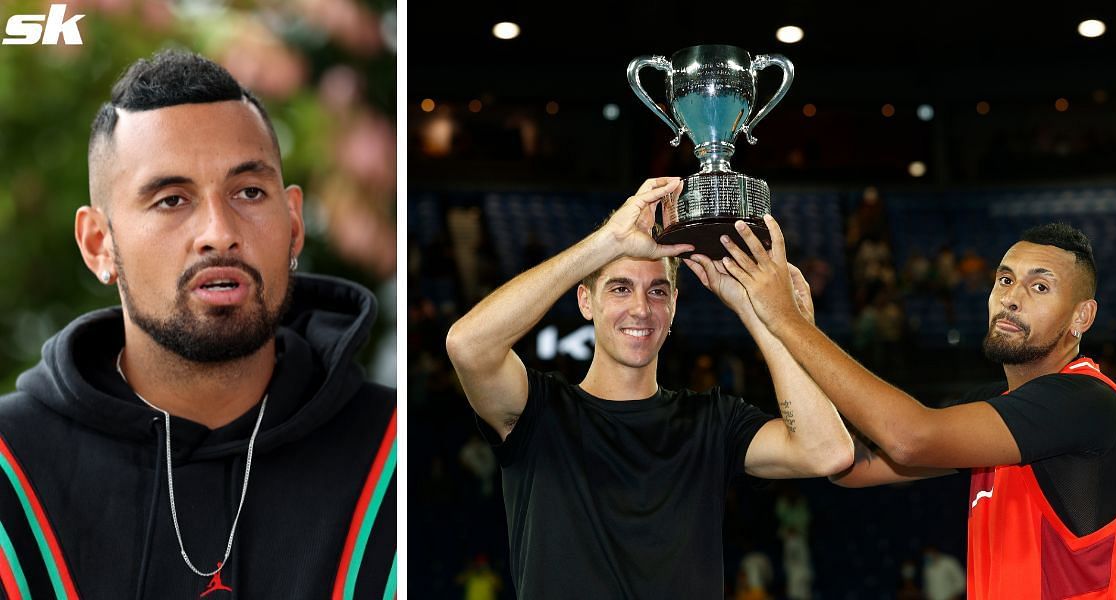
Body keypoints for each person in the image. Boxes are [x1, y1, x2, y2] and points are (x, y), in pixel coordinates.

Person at [0, 51, 396, 598]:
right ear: (99, 245)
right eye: (171, 200)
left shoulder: (393, 453)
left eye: (249, 193)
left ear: (295, 223)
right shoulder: (11, 462)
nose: (219, 232)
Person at [445, 178, 853, 598]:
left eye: (657, 291)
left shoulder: (712, 421)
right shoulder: (540, 410)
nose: (641, 308)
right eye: (620, 288)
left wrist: (772, 319)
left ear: (674, 304)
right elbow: (468, 345)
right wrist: (605, 243)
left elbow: (827, 451)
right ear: (586, 301)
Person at [715, 220, 1116, 598]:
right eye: (1004, 280)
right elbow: (850, 467)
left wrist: (786, 321)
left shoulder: (1086, 403)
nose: (1012, 298)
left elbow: (909, 438)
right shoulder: (993, 408)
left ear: (1082, 317)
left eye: (1039, 286)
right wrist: (786, 331)